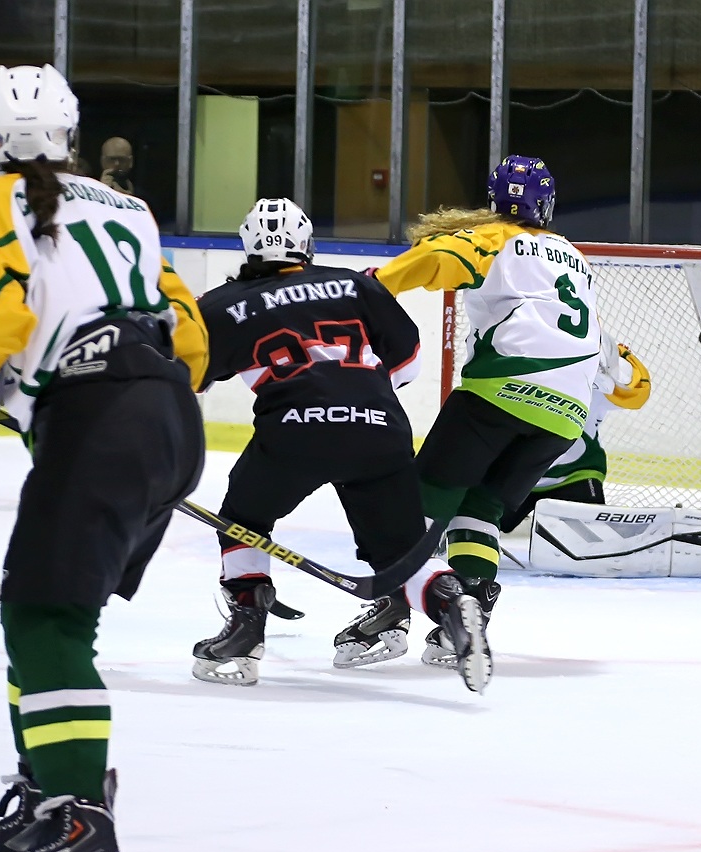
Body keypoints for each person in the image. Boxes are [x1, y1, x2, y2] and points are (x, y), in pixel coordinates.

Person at [0, 64, 209, 852]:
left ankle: (78, 823)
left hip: (100, 417)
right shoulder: (127, 206)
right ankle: (48, 789)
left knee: (45, 618)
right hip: (165, 412)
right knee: (45, 610)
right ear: (73, 135)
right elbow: (182, 321)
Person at [189, 197, 488, 691]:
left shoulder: (222, 305)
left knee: (243, 518)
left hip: (294, 431)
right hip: (380, 427)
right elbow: (409, 365)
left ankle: (246, 624)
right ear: (307, 244)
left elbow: (185, 375)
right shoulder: (355, 283)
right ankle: (454, 603)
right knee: (401, 553)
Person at [375, 154, 608, 667]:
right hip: (566, 416)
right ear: (546, 203)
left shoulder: (493, 238)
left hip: (502, 393)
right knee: (479, 509)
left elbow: (435, 259)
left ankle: (393, 606)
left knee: (418, 499)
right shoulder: (574, 256)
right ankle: (470, 608)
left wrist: (371, 284)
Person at [499, 342, 650, 533]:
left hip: (574, 475)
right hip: (515, 475)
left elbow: (637, 392)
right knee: (475, 526)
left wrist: (616, 357)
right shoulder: (520, 354)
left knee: (591, 538)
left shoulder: (592, 367)